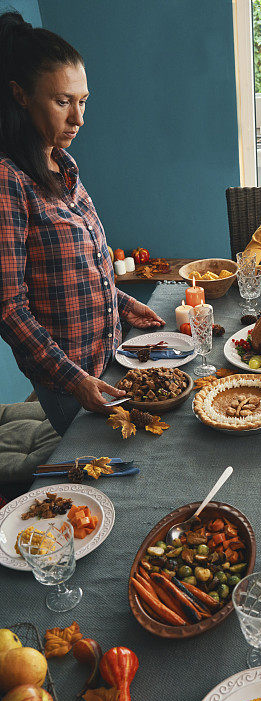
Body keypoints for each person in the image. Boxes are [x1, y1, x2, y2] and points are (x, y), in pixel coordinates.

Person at [0, 12, 165, 435]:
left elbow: (80, 271)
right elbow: (9, 309)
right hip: (72, 382)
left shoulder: (63, 164)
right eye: (62, 101)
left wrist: (125, 304)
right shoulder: (8, 180)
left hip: (110, 359)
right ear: (20, 96)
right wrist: (75, 381)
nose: (79, 118)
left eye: (83, 100)